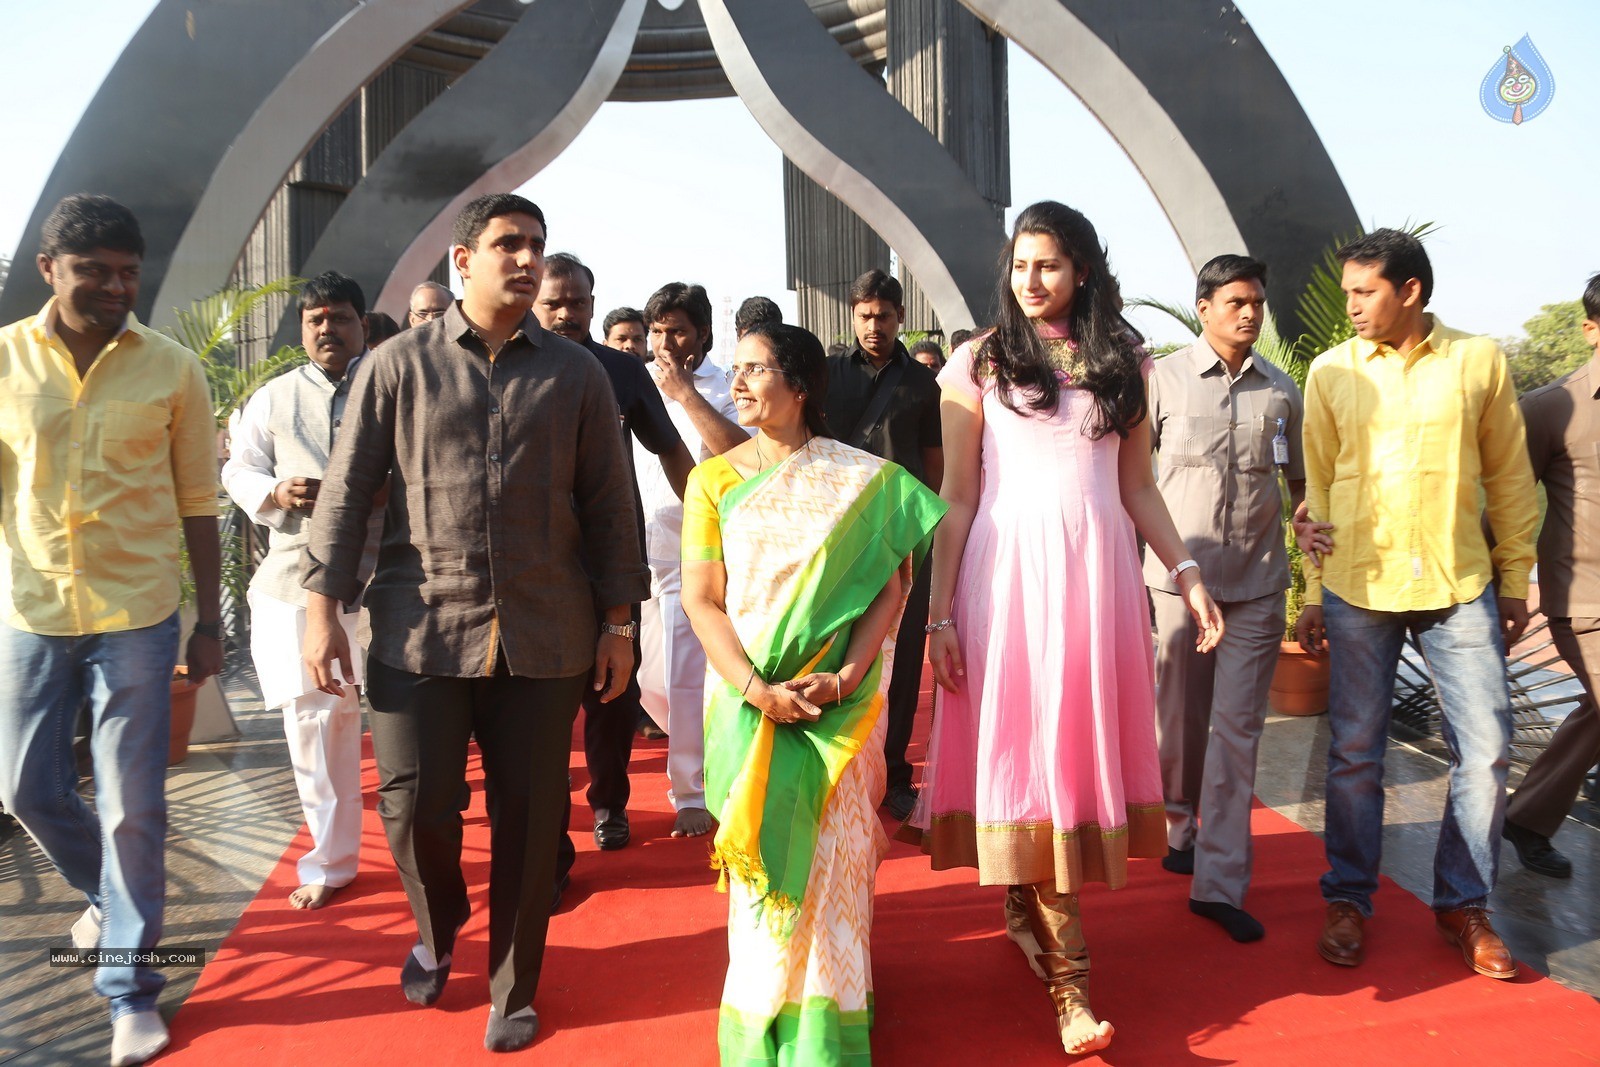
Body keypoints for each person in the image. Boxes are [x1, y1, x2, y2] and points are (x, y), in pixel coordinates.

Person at [302, 194, 648, 1052]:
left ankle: (513, 984)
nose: (526, 260)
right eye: (507, 245)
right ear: (464, 261)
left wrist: (619, 621)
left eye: (537, 245)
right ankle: (437, 919)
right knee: (418, 808)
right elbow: (346, 493)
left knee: (532, 822)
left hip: (546, 632)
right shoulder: (396, 367)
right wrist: (321, 609)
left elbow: (611, 503)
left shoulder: (577, 374)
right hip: (418, 627)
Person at [907, 201, 1222, 1055]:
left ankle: (1026, 908)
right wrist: (938, 613)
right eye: (1020, 264)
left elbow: (1138, 488)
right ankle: (1071, 987)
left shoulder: (1127, 362)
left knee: (1065, 759)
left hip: (1097, 583)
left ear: (1081, 267)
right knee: (1032, 762)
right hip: (1005, 582)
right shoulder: (978, 362)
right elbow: (960, 496)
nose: (1031, 279)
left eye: (1047, 263)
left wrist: (1185, 573)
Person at [680, 322, 945, 1065]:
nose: (737, 383)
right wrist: (759, 690)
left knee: (835, 866)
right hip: (750, 706)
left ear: (800, 385)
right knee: (768, 871)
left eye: (755, 369)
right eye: (736, 369)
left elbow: (891, 589)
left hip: (839, 709)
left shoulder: (864, 480)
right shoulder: (715, 481)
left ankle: (829, 1026)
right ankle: (762, 1020)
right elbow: (703, 601)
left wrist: (848, 677)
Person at [0, 194, 223, 1066]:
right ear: (52, 269)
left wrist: (209, 618)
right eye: (95, 270)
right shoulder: (6, 361)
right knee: (24, 788)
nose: (116, 286)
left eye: (129, 271)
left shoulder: (170, 369)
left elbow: (200, 502)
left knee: (134, 803)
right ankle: (106, 895)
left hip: (138, 612)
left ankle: (131, 987)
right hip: (32, 610)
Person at [1294, 229, 1536, 981]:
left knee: (1488, 749)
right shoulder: (1331, 372)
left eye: (1365, 292)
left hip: (1458, 583)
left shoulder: (1478, 361)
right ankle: (1348, 897)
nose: (1352, 306)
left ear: (1411, 291)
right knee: (1355, 753)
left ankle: (1463, 904)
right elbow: (1318, 494)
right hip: (1358, 587)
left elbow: (1511, 477)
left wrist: (1515, 579)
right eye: (1348, 292)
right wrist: (1310, 591)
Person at [1143, 254, 1303, 943]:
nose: (1250, 314)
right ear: (1203, 305)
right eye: (1236, 301)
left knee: (1239, 734)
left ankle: (1219, 881)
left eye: (1258, 303)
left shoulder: (1282, 390)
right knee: (1179, 724)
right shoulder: (1161, 380)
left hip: (1258, 586)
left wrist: (1307, 518)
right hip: (1178, 583)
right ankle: (1178, 826)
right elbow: (1132, 483)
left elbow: (1300, 482)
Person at [222, 270, 382, 911]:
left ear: (362, 325)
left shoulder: (395, 380)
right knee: (317, 721)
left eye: (339, 317)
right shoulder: (273, 397)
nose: (327, 328)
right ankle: (332, 860)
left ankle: (424, 847)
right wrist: (273, 493)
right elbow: (239, 465)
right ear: (302, 329)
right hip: (296, 577)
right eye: (315, 319)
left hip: (394, 576)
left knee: (411, 721)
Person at [534, 252, 693, 867]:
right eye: (556, 303)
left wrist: (712, 522)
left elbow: (671, 450)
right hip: (536, 567)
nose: (568, 313)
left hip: (610, 563)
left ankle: (609, 804)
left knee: (612, 692)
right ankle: (547, 831)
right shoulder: (506, 369)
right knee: (542, 708)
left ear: (593, 305)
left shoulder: (622, 373)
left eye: (578, 302)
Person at [824, 269, 943, 821]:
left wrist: (917, 534)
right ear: (853, 316)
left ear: (901, 319)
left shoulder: (924, 386)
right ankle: (839, 767)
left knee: (903, 664)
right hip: (836, 538)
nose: (875, 326)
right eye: (866, 316)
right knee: (838, 652)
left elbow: (934, 470)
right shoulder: (825, 376)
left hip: (903, 542)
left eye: (886, 317)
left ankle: (895, 775)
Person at [637, 282, 749, 839]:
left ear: (703, 333)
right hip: (640, 549)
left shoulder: (729, 387)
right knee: (649, 681)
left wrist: (684, 395)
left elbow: (738, 458)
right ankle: (706, 753)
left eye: (675, 330)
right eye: (655, 330)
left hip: (697, 552)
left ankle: (692, 793)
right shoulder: (634, 381)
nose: (662, 341)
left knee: (682, 675)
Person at [1501, 274, 1600, 878]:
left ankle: (1527, 817)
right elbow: (1504, 505)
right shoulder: (1550, 407)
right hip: (1584, 598)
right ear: (1590, 330)